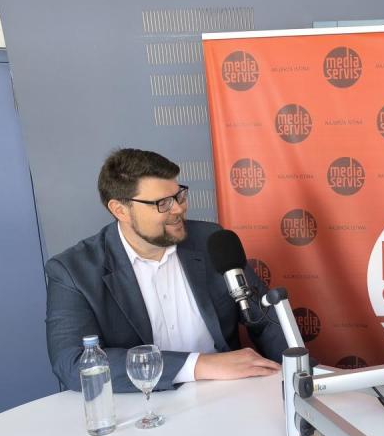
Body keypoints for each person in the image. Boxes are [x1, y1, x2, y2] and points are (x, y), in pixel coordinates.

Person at [45, 148, 287, 392]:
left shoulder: (211, 240)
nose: (178, 209)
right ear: (120, 210)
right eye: (162, 203)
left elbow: (265, 319)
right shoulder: (73, 272)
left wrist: (297, 372)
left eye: (179, 195)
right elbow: (73, 362)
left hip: (228, 393)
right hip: (143, 402)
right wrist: (198, 365)